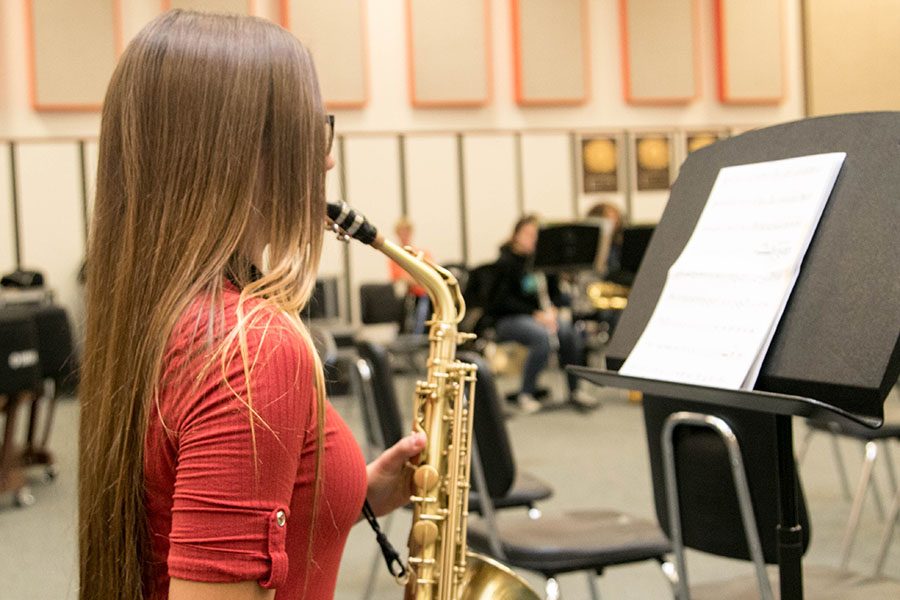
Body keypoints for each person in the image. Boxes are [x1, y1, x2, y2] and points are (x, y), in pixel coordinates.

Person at [78, 11, 425, 600]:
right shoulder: (252, 347)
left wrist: (352, 489)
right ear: (241, 151)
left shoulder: (163, 315)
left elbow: (183, 518)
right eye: (310, 129)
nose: (328, 159)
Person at [485, 215, 598, 414]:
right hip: (509, 319)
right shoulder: (505, 263)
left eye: (536, 235)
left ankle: (574, 390)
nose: (533, 239)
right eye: (528, 234)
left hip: (543, 317)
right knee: (541, 337)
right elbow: (501, 301)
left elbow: (556, 296)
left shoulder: (544, 262)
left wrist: (553, 309)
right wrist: (534, 314)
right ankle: (526, 393)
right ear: (516, 235)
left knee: (568, 333)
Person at [388, 217, 431, 334]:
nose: (404, 235)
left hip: (423, 295)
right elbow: (399, 280)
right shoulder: (394, 255)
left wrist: (412, 279)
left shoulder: (422, 254)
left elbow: (429, 275)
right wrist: (416, 278)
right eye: (401, 232)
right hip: (407, 298)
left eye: (407, 231)